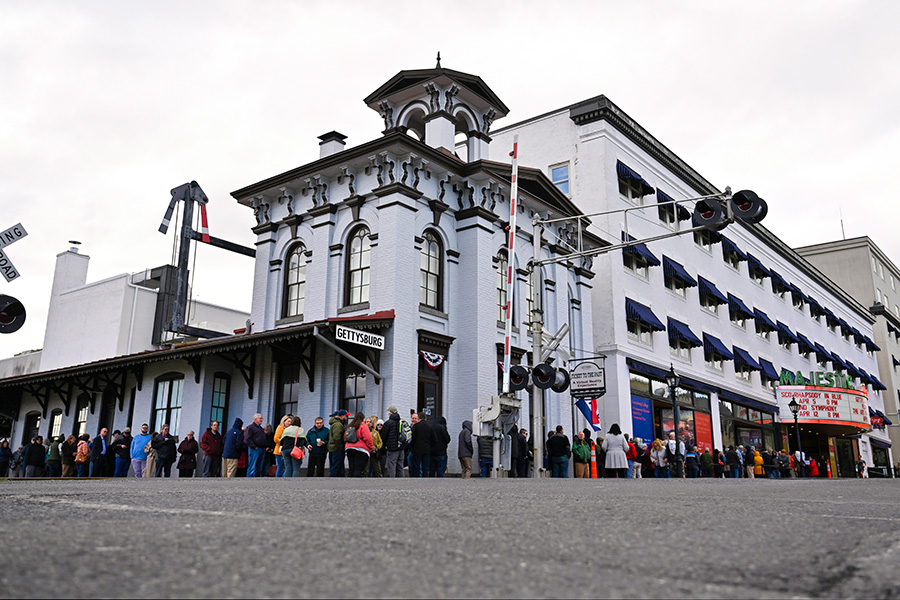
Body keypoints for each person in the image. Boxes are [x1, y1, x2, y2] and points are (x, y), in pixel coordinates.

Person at [345, 412, 375, 477]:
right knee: (358, 469)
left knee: (351, 469)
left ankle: (348, 484)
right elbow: (368, 438)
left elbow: (345, 437)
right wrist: (372, 448)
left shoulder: (350, 426)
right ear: (363, 418)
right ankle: (356, 485)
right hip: (360, 450)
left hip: (349, 448)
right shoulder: (363, 426)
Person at [381, 407, 407, 478]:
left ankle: (392, 481)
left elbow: (384, 436)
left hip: (392, 448)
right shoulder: (401, 422)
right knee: (400, 465)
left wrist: (385, 445)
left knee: (391, 464)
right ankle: (401, 481)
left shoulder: (388, 423)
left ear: (390, 413)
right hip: (401, 447)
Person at [409, 411, 434, 478]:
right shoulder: (430, 426)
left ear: (419, 418)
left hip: (417, 449)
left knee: (416, 467)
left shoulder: (416, 426)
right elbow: (433, 439)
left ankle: (417, 480)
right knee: (425, 468)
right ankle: (425, 480)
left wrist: (412, 447)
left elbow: (413, 438)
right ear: (426, 418)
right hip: (427, 449)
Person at [244, 413, 267, 478]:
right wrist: (254, 446)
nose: (262, 420)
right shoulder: (250, 428)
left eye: (262, 418)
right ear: (255, 419)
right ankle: (250, 480)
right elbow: (247, 439)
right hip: (254, 449)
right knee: (252, 466)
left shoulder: (261, 428)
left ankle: (256, 480)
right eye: (260, 418)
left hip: (261, 449)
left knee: (259, 467)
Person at [327, 409, 349, 477]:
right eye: (346, 416)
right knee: (336, 468)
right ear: (342, 416)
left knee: (336, 467)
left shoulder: (335, 424)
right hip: (337, 449)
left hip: (333, 449)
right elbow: (337, 438)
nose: (347, 418)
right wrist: (341, 447)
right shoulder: (338, 425)